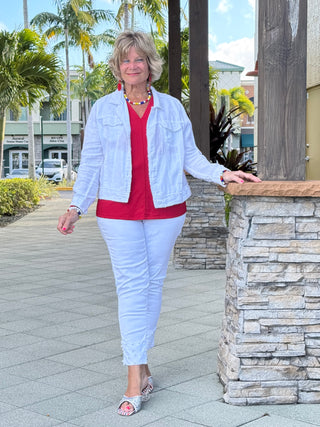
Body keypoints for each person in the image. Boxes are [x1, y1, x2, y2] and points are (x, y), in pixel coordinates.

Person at [57, 30, 261, 416]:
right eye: (125, 60)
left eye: (139, 59)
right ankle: (135, 378)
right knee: (132, 287)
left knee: (151, 287)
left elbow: (191, 157)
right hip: (117, 211)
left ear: (150, 65)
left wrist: (224, 174)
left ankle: (143, 367)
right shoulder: (103, 109)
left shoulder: (170, 108)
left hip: (166, 209)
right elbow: (92, 164)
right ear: (117, 67)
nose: (132, 66)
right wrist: (76, 206)